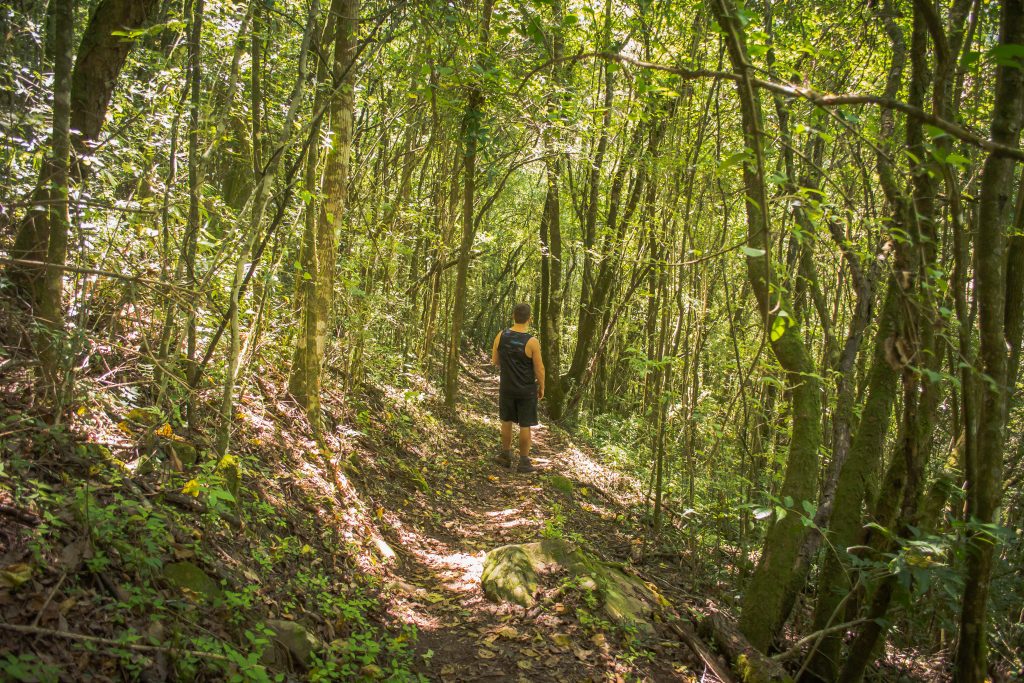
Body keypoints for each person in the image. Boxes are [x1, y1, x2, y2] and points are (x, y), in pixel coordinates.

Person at [491, 302, 544, 473]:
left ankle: (505, 455)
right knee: (524, 425)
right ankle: (524, 461)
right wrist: (542, 385)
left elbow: (495, 361)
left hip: (507, 387)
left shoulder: (501, 335)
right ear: (530, 319)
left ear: (513, 316)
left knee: (506, 421)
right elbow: (539, 368)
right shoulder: (532, 342)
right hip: (526, 390)